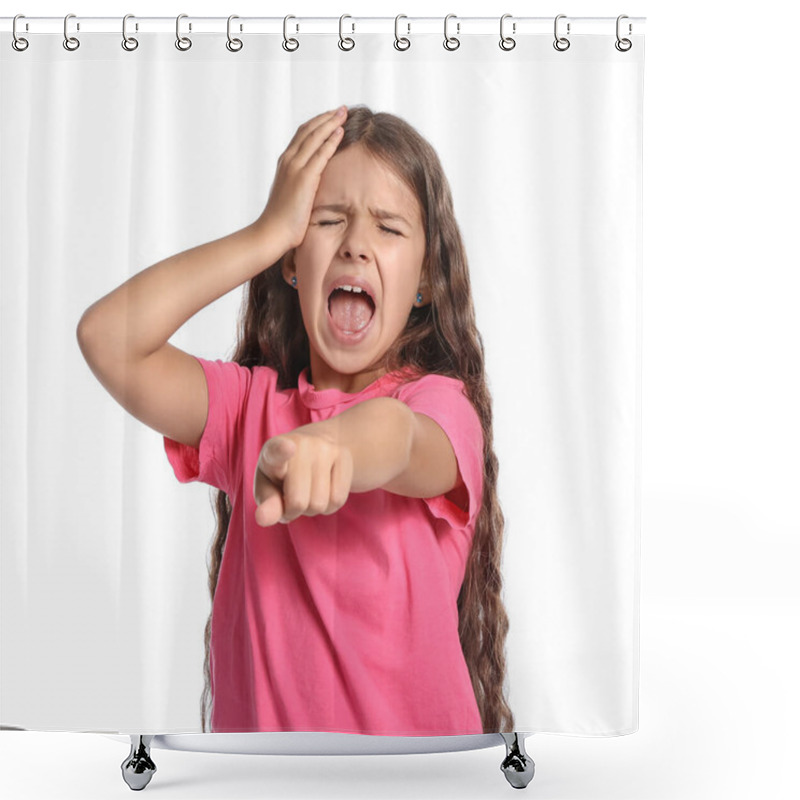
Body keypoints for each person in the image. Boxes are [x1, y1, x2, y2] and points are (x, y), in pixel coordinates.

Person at [77, 104, 514, 736]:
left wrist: (331, 444)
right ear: (292, 262)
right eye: (327, 220)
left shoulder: (443, 407)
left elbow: (397, 438)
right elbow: (106, 338)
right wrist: (263, 235)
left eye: (389, 229)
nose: (356, 245)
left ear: (423, 281)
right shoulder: (246, 410)